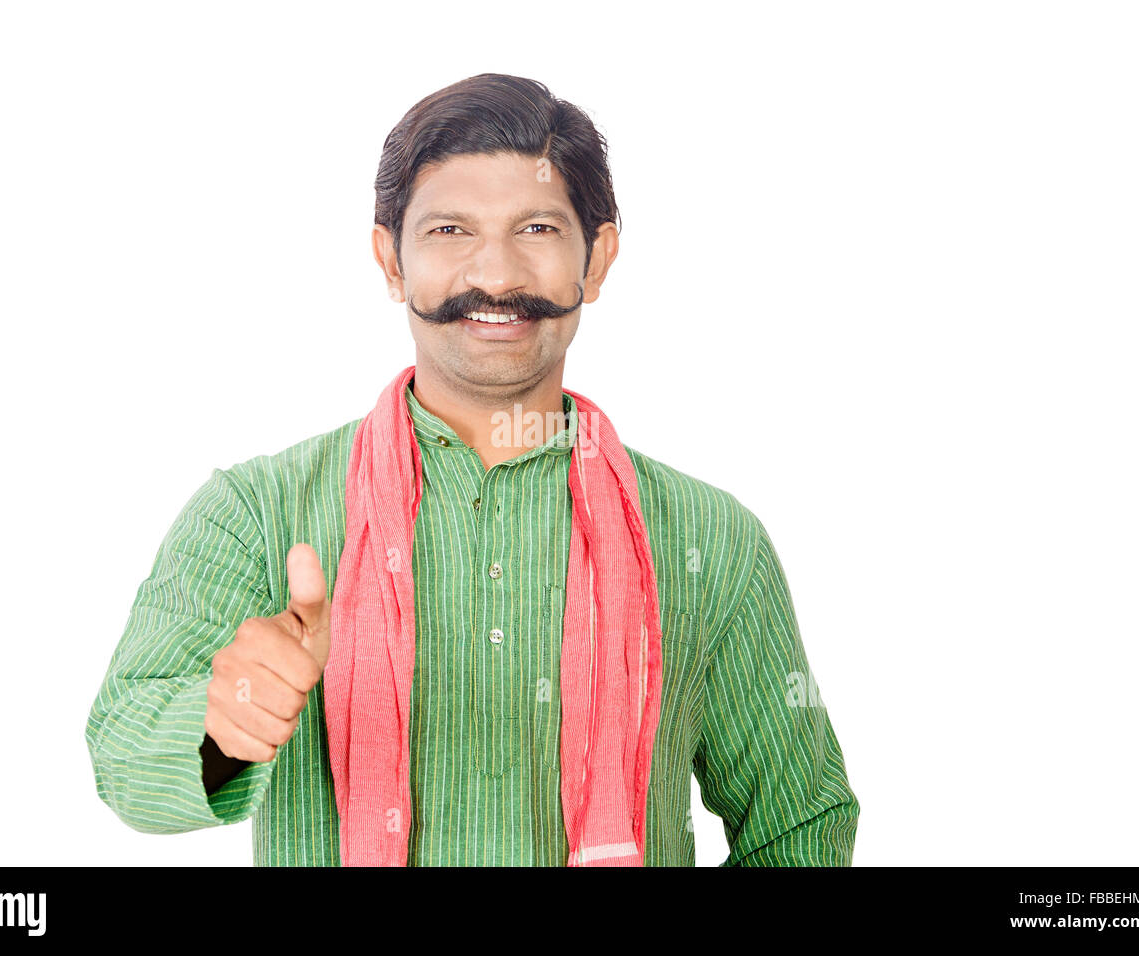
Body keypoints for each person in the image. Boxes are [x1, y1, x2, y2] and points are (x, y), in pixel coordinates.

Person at [85, 73, 860, 866]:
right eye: (450, 231)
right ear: (390, 259)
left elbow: (800, 825)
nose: (495, 276)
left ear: (598, 259)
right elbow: (121, 754)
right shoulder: (258, 513)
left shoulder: (710, 539)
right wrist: (226, 728)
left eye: (536, 229)